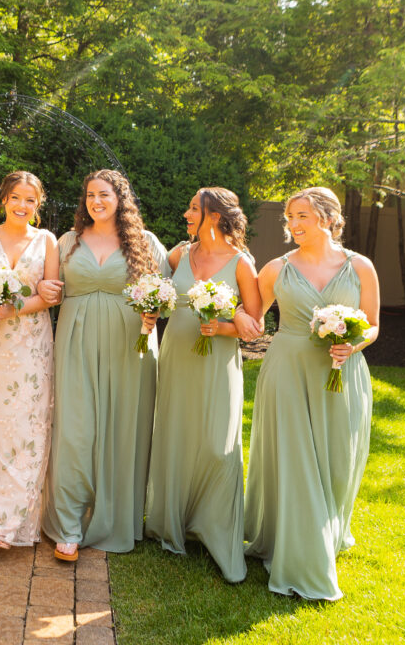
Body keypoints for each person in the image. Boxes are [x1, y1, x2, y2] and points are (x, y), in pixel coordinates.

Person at [244, 187, 379, 601]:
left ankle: (329, 530)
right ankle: (303, 557)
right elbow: (251, 315)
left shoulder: (360, 267)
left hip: (342, 373)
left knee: (338, 461)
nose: (294, 224)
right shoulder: (275, 269)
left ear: (327, 216)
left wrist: (354, 343)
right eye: (289, 217)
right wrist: (227, 314)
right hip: (287, 371)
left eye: (302, 215)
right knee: (296, 460)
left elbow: (372, 324)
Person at [37, 169, 166, 562]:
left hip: (130, 343)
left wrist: (153, 312)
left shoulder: (144, 244)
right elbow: (49, 289)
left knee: (121, 425)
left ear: (120, 198)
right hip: (75, 342)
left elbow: (162, 292)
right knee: (76, 428)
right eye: (90, 194)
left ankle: (115, 517)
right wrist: (44, 289)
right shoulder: (68, 242)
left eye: (104, 194)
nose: (96, 201)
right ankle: (69, 524)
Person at [144, 187, 262, 582]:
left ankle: (218, 531)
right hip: (176, 356)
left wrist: (224, 325)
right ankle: (173, 524)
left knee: (217, 445)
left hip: (217, 363)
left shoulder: (242, 264)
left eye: (193, 208)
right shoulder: (180, 254)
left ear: (214, 214)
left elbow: (255, 328)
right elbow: (157, 295)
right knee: (176, 435)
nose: (186, 213)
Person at [0, 171, 59, 549]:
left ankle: (10, 523)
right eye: (16, 198)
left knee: (27, 424)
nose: (22, 206)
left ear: (37, 205)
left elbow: (52, 295)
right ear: (3, 199)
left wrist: (14, 309)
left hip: (30, 342)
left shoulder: (47, 241)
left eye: (30, 200)